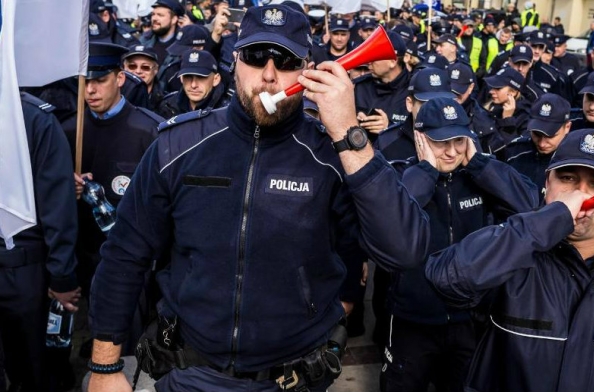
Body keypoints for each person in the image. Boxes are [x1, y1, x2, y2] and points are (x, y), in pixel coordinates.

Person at [86, 5, 429, 391]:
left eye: (284, 60)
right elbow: (125, 254)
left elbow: (404, 251)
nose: (268, 75)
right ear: (235, 61)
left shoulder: (334, 154)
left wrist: (350, 134)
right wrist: (104, 366)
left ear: (308, 69)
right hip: (190, 372)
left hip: (294, 378)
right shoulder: (177, 145)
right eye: (254, 56)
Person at [425, 128, 594, 392]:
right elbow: (447, 278)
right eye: (567, 178)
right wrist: (551, 219)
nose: (582, 195)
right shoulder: (512, 252)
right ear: (546, 185)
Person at [380, 97, 538, 392]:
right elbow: (392, 222)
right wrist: (426, 171)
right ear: (420, 138)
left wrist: (479, 164)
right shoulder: (402, 173)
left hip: (469, 318)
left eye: (459, 141)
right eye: (441, 142)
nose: (452, 152)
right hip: (414, 317)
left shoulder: (480, 174)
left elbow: (529, 206)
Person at [61, 43, 162, 355]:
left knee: (127, 340)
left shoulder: (149, 130)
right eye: (85, 82)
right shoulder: (68, 130)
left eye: (99, 80)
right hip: (83, 252)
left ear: (120, 78)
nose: (90, 90)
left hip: (130, 258)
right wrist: (68, 190)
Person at [0, 93, 81, 392]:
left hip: (21, 268)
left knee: (35, 369)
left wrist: (62, 277)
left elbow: (57, 206)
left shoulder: (34, 119)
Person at [505, 93, 571, 199]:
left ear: (567, 127)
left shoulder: (575, 162)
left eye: (550, 136)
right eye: (537, 134)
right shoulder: (514, 151)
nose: (542, 143)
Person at [354, 30, 411, 133]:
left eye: (374, 57)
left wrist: (389, 127)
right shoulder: (358, 87)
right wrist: (355, 121)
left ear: (392, 62)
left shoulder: (414, 89)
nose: (368, 62)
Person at [156, 50, 230, 119]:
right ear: (181, 78)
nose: (193, 85)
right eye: (188, 77)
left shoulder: (227, 112)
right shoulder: (167, 105)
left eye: (201, 77)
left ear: (215, 79)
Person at [141, 0, 185, 66]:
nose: (154, 18)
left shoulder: (184, 44)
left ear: (174, 19)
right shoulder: (144, 40)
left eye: (160, 15)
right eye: (153, 14)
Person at [122, 45, 164, 110]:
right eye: (132, 66)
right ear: (124, 68)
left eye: (145, 67)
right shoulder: (113, 98)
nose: (138, 71)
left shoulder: (165, 102)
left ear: (156, 69)